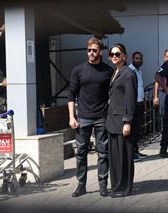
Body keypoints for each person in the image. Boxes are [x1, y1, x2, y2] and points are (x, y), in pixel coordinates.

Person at [68, 37, 113, 197]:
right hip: (83, 118)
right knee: (81, 153)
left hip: (102, 116)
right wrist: (71, 117)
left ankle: (103, 185)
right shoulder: (78, 70)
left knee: (103, 153)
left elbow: (114, 94)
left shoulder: (108, 71)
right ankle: (81, 185)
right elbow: (71, 95)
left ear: (100, 51)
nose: (91, 53)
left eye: (94, 50)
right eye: (89, 50)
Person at [106, 43, 137, 197]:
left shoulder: (129, 74)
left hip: (122, 121)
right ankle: (117, 186)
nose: (114, 56)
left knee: (124, 157)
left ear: (124, 55)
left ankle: (125, 188)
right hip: (112, 121)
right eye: (112, 54)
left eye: (117, 54)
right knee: (115, 158)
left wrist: (127, 121)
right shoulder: (115, 72)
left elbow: (130, 100)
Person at [128, 51, 148, 162]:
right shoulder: (130, 71)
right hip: (133, 104)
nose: (139, 60)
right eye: (136, 58)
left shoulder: (139, 71)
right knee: (133, 130)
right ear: (132, 59)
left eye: (140, 58)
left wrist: (143, 102)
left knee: (137, 130)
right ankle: (131, 154)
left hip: (140, 103)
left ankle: (136, 151)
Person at [153, 49, 168, 130]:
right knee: (163, 113)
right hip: (163, 93)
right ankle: (163, 131)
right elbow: (157, 82)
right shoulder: (162, 68)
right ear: (164, 57)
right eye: (167, 57)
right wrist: (155, 97)